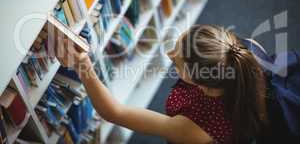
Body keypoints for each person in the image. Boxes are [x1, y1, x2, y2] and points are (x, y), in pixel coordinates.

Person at [53, 24, 268, 144]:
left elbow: (114, 113)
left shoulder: (193, 130)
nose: (168, 54)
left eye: (176, 60)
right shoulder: (237, 52)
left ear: (200, 82)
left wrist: (83, 65)